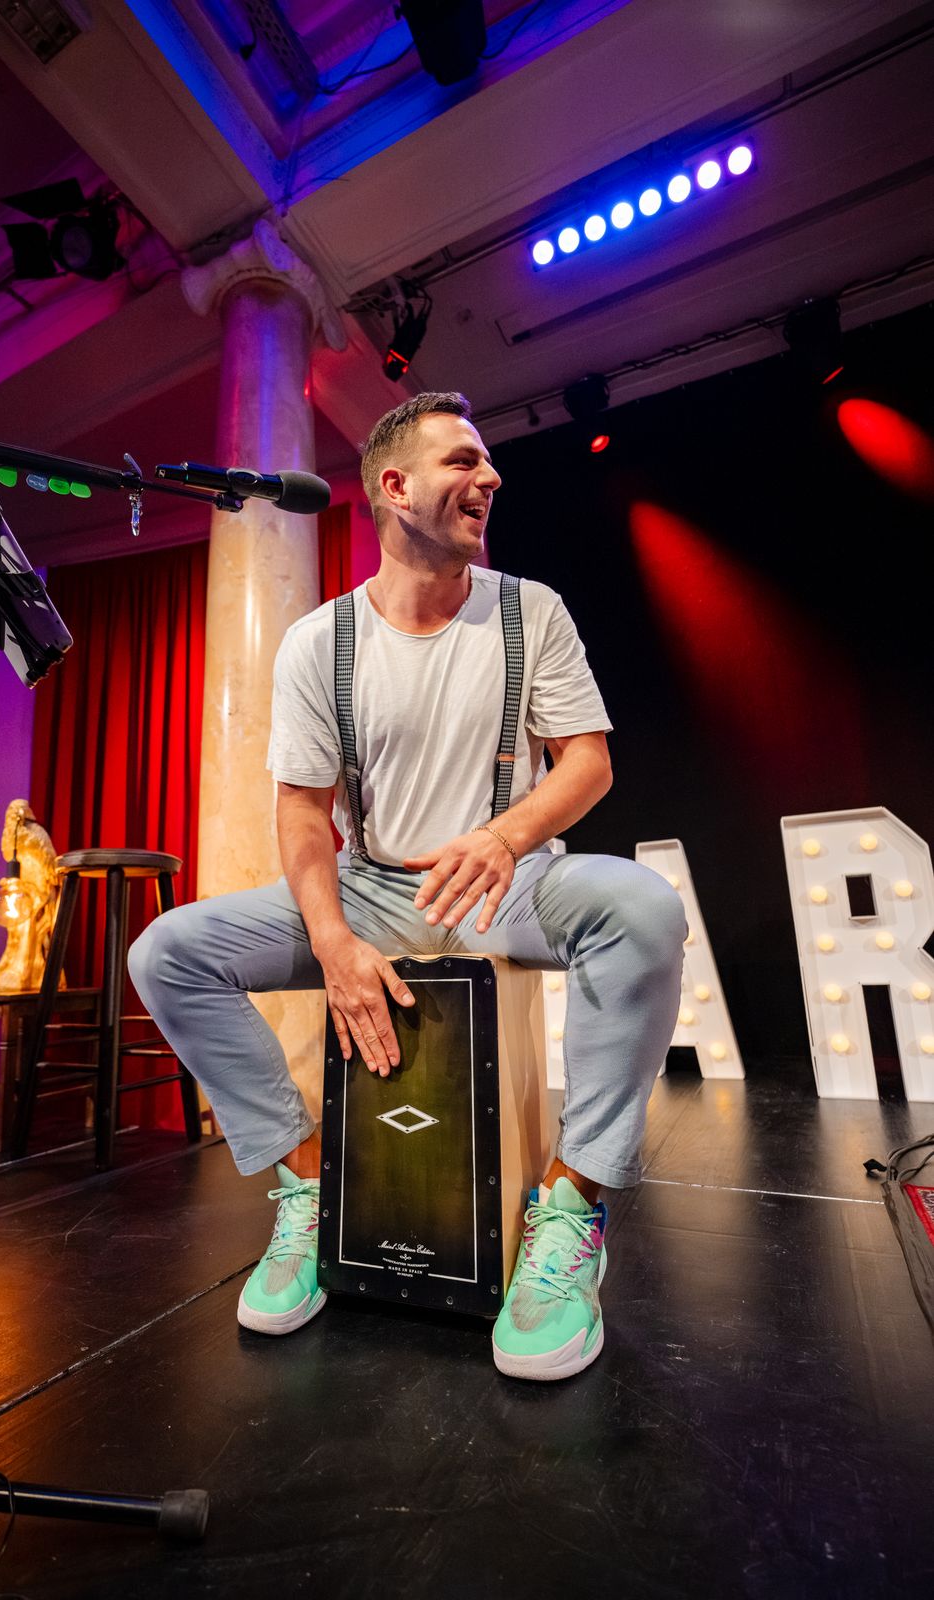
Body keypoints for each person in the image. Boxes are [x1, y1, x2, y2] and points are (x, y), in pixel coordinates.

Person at [129, 391, 685, 1382]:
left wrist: (505, 837)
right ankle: (311, 1191)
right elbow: (304, 814)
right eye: (463, 461)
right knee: (168, 952)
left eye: (488, 462)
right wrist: (333, 940)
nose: (490, 477)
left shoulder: (530, 610)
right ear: (393, 485)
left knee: (642, 907)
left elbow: (587, 762)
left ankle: (571, 1209)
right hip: (373, 887)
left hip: (510, 889)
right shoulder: (321, 641)